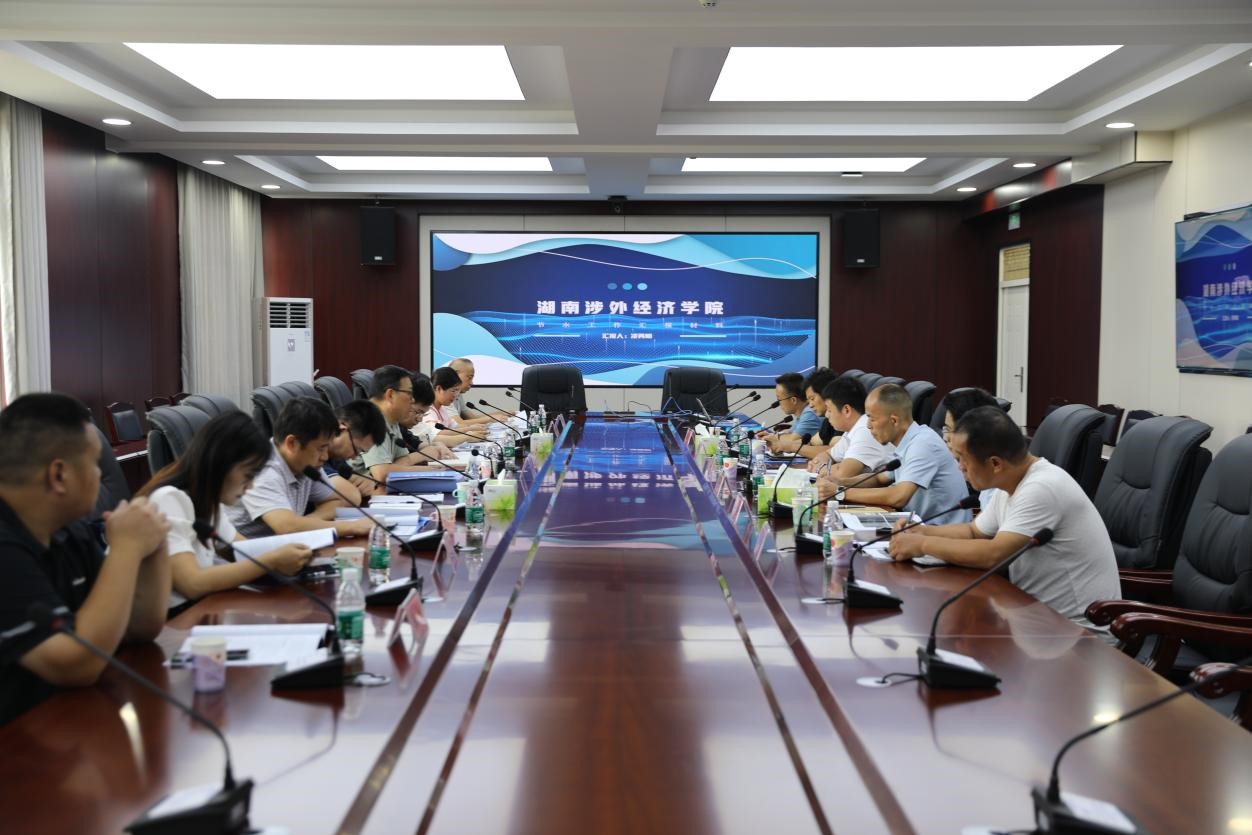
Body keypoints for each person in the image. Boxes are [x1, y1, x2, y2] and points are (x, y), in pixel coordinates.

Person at [0, 393, 171, 724]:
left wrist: (154, 540)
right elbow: (77, 664)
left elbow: (138, 627)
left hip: (62, 723)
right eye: (95, 463)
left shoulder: (68, 531)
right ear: (59, 475)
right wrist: (126, 548)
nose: (100, 474)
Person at [888, 406, 1121, 632]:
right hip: (1033, 617)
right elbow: (974, 532)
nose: (960, 468)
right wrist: (922, 530)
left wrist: (922, 544)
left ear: (995, 463)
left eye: (963, 460)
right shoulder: (1011, 483)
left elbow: (994, 555)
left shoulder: (1041, 488)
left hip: (1077, 634)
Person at [138, 412, 317, 610]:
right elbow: (192, 584)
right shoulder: (169, 499)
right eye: (248, 475)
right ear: (221, 463)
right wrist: (273, 560)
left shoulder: (209, 502)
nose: (250, 486)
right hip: (176, 619)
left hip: (203, 609)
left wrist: (298, 554)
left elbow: (243, 550)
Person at [225, 397, 372, 538]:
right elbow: (286, 527)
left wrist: (304, 524)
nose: (325, 456)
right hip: (242, 553)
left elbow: (339, 500)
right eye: (321, 448)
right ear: (292, 443)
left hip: (284, 548)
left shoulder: (305, 465)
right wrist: (352, 527)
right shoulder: (262, 470)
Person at [829, 384, 971, 524]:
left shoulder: (923, 444)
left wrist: (840, 492)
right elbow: (879, 479)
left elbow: (899, 496)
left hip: (943, 532)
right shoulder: (906, 441)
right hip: (917, 526)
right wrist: (839, 482)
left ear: (894, 420)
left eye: (872, 418)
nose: (868, 425)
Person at [352, 367, 461, 484]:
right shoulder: (371, 419)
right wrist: (435, 471)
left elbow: (402, 460)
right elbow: (381, 473)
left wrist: (438, 470)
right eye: (409, 393)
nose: (412, 399)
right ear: (390, 395)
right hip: (363, 492)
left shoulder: (392, 420)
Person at [811, 376, 892, 484]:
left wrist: (821, 469)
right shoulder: (853, 429)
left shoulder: (865, 430)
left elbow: (841, 476)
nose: (826, 415)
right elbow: (827, 454)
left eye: (829, 410)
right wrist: (827, 467)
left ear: (846, 410)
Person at [939, 387, 1001, 508]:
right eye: (946, 429)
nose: (946, 438)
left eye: (950, 430)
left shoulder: (1003, 488)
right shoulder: (988, 478)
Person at [767, 368, 838, 457]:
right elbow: (811, 442)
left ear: (827, 395)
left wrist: (789, 446)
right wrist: (782, 445)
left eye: (812, 399)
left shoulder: (813, 413)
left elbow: (834, 452)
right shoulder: (827, 421)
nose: (810, 405)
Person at [423, 366, 485, 446]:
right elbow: (438, 434)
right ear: (439, 389)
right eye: (453, 391)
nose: (455, 395)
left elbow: (454, 427)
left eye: (457, 391)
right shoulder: (427, 410)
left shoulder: (442, 408)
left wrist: (472, 427)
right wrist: (468, 433)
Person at [757, 371, 823, 447]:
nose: (778, 403)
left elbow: (793, 440)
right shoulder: (802, 413)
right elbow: (790, 434)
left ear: (793, 400)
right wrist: (770, 436)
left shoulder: (810, 412)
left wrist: (772, 438)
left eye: (779, 399)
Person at [448, 357, 509, 426]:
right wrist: (491, 418)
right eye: (469, 378)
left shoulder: (458, 394)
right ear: (455, 375)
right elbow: (458, 424)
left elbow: (472, 418)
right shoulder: (445, 395)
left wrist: (500, 414)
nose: (472, 383)